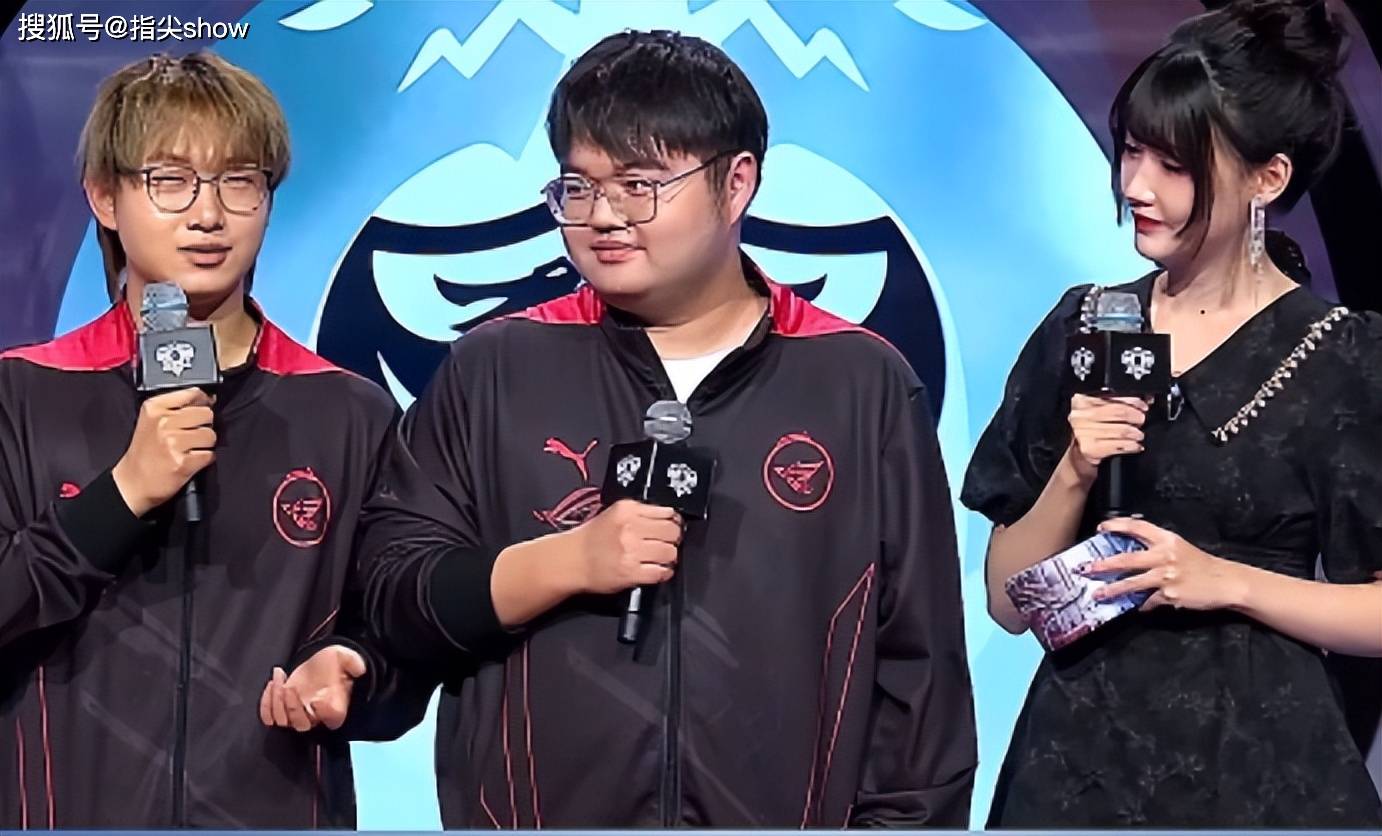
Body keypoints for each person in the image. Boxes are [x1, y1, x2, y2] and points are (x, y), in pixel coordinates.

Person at [268, 29, 976, 828]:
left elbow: (921, 677)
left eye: (639, 185)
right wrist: (565, 561)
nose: (603, 217)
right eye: (578, 187)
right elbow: (395, 595)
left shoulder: (858, 380)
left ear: (737, 182)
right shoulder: (496, 367)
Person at [961, 0, 1382, 827]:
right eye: (1132, 150)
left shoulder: (1343, 356)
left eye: (1174, 164)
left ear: (1268, 178)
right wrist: (1076, 469)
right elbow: (1009, 603)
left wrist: (1226, 582)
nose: (1135, 186)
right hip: (1078, 761)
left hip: (1260, 764)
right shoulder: (1085, 326)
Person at [0, 51, 431, 828]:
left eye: (239, 181)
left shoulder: (347, 412)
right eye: (170, 181)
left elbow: (403, 641)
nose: (208, 215)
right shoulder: (23, 393)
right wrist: (122, 495)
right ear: (104, 196)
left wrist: (359, 672)